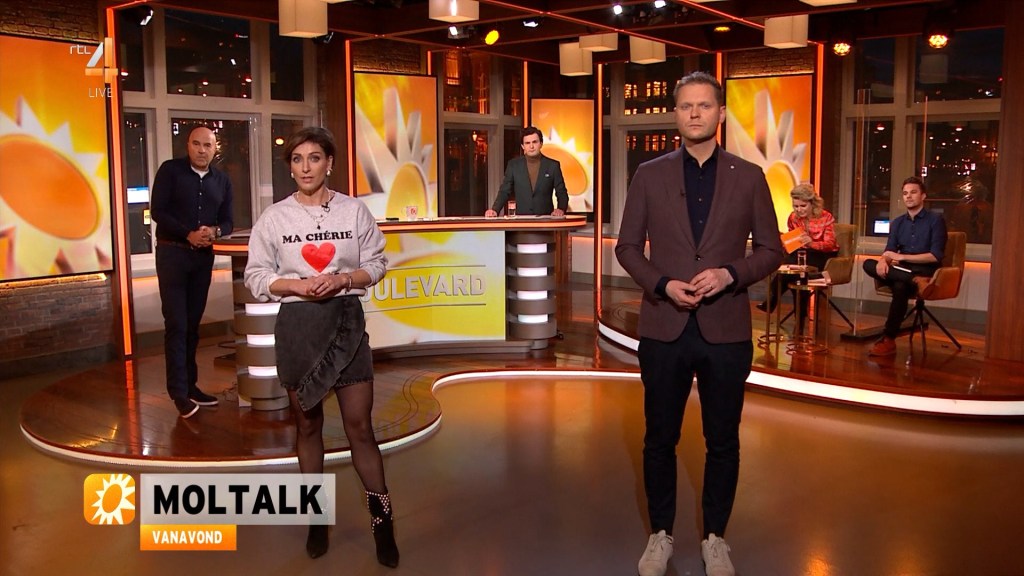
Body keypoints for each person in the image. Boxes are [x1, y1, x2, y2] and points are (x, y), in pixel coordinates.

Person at [615, 71, 784, 576]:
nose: (694, 113)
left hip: (725, 330)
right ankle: (659, 535)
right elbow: (627, 247)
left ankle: (715, 538)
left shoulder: (749, 176)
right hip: (664, 326)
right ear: (676, 113)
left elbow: (771, 250)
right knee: (658, 439)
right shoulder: (649, 175)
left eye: (704, 105)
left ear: (720, 113)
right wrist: (663, 283)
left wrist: (731, 274)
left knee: (723, 441)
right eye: (686, 105)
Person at [243, 127, 398, 568]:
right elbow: (256, 275)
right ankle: (316, 518)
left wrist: (344, 279)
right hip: (299, 327)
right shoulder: (274, 218)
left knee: (360, 428)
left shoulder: (354, 210)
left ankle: (383, 523)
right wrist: (295, 285)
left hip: (346, 322)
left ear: (329, 163)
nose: (306, 167)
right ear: (290, 167)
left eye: (314, 158)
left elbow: (377, 263)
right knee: (307, 427)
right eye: (297, 159)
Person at [151, 125, 233, 419]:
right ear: (188, 146)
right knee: (177, 324)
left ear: (214, 149)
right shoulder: (170, 171)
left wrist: (215, 231)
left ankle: (191, 386)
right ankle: (178, 392)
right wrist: (188, 233)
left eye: (207, 145)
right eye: (196, 144)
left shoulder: (222, 180)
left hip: (202, 258)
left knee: (193, 325)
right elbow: (158, 211)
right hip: (172, 254)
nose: (201, 150)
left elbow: (228, 221)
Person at [862, 176, 947, 357]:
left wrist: (902, 256)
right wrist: (883, 260)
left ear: (923, 196)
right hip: (902, 271)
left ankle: (889, 339)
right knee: (868, 264)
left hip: (926, 269)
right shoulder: (898, 222)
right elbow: (889, 251)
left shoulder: (935, 220)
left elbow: (935, 256)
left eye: (913, 192)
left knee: (900, 286)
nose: (908, 196)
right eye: (905, 193)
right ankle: (916, 281)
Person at [758, 183, 839, 315]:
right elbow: (793, 240)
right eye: (796, 206)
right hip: (800, 253)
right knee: (795, 275)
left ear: (812, 204)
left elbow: (830, 244)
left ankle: (772, 302)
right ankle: (799, 317)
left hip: (822, 254)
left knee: (796, 270)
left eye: (803, 206)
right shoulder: (793, 217)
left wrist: (812, 243)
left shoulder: (826, 217)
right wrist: (786, 242)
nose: (799, 210)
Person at [484, 126, 568, 217]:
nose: (531, 146)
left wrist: (561, 209)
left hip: (545, 220)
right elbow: (505, 191)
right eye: (527, 143)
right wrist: (495, 210)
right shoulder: (513, 165)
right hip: (522, 220)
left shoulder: (553, 165)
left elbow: (561, 192)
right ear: (522, 146)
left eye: (534, 142)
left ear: (541, 143)